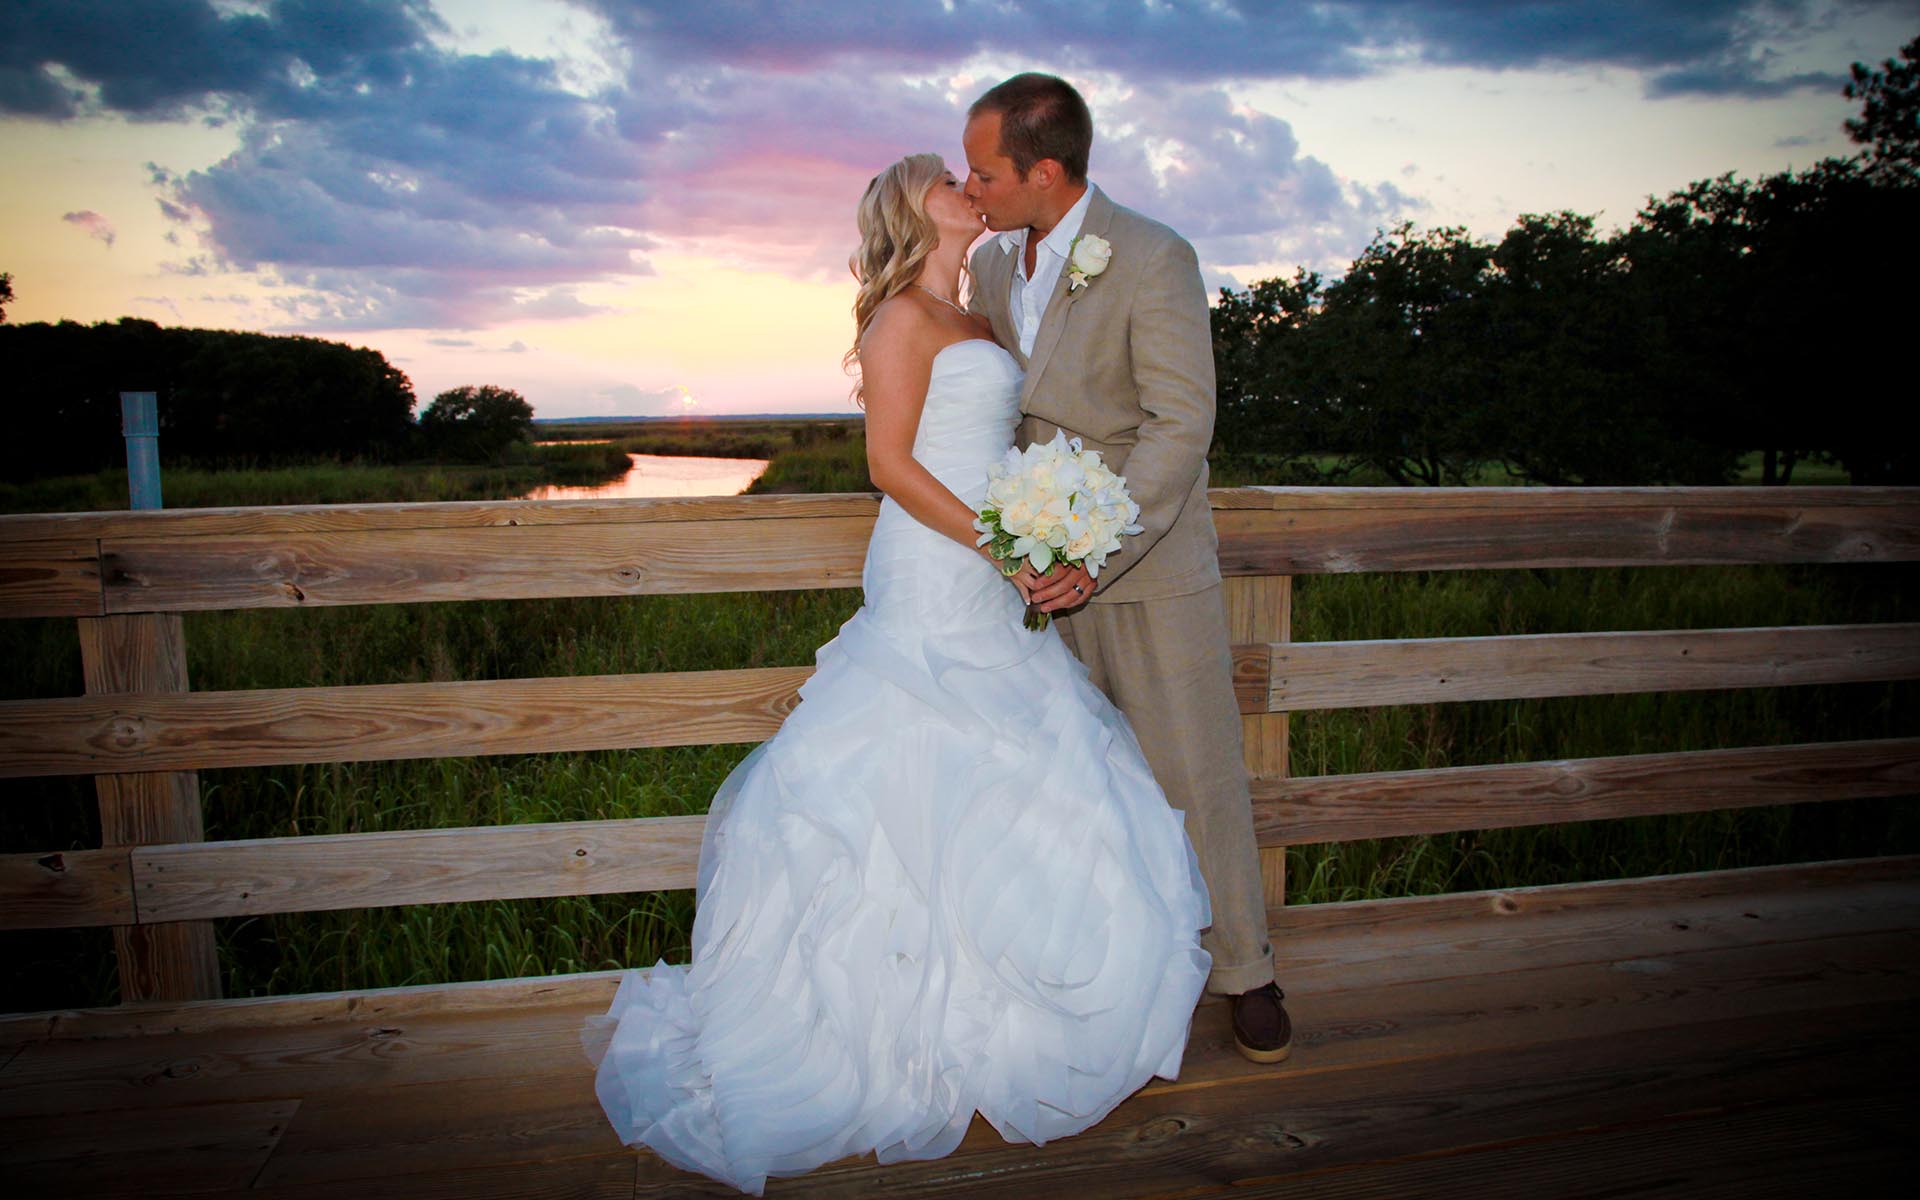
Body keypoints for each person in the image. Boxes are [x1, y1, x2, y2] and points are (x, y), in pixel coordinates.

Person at [582, 151, 1212, 1196]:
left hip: (988, 563)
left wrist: (1046, 518)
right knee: (910, 760)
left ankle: (1004, 1016)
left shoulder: (980, 316)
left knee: (1024, 756)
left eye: (971, 177)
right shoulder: (900, 323)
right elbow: (891, 466)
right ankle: (880, 1023)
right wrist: (1002, 542)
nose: (968, 188)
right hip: (935, 564)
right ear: (908, 213)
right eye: (944, 181)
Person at [961, 73, 1292, 1063]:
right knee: (1069, 788)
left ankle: (1247, 970)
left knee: (1190, 772)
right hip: (1026, 580)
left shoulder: (1152, 256)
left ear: (1047, 171)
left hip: (1141, 567)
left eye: (985, 172)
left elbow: (1181, 422)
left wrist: (1095, 549)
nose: (973, 189)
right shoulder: (984, 269)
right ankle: (1113, 978)